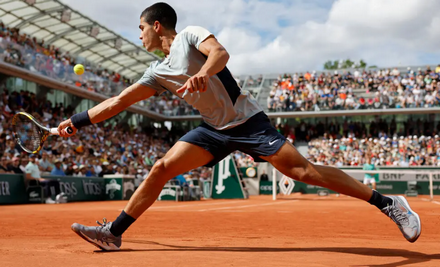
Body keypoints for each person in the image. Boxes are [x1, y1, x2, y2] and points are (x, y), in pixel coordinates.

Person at [58, 2, 421, 251]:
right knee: (161, 168)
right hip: (213, 130)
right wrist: (75, 122)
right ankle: (114, 233)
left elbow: (220, 54)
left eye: (140, 28)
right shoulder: (156, 72)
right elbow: (118, 102)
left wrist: (202, 72)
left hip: (248, 123)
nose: (139, 37)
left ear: (157, 25)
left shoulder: (189, 36)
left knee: (305, 171)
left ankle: (390, 204)